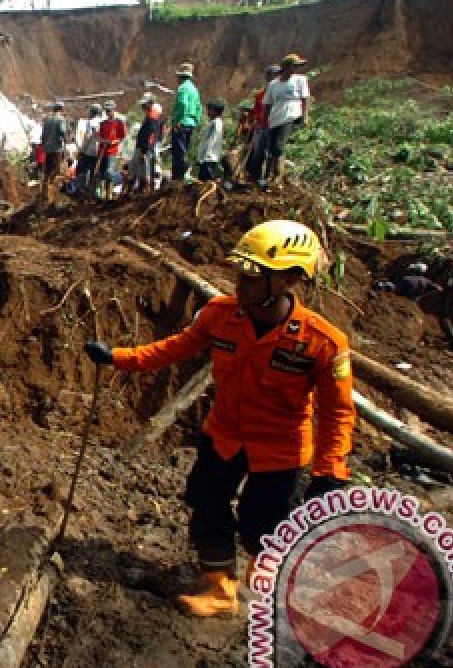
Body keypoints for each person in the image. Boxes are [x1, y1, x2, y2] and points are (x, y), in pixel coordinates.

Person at [83, 220, 355, 617]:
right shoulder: (220, 315)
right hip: (223, 436)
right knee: (206, 502)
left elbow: (338, 412)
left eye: (252, 277)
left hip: (280, 451)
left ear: (286, 281)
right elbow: (174, 348)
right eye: (240, 274)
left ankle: (263, 583)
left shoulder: (322, 342)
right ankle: (220, 588)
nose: (240, 284)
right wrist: (118, 358)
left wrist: (330, 472)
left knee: (263, 523)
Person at [263, 54, 311, 189]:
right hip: (276, 117)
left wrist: (305, 116)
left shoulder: (300, 80)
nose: (295, 69)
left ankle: (278, 177)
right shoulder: (273, 84)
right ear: (286, 67)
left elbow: (305, 98)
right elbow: (267, 103)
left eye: (297, 66)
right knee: (272, 148)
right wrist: (265, 120)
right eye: (293, 66)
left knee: (279, 146)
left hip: (291, 115)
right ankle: (270, 176)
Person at [246, 65, 282, 187]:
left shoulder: (280, 93)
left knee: (272, 153)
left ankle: (268, 178)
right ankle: (255, 177)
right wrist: (256, 123)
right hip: (262, 127)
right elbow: (256, 112)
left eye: (278, 75)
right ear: (268, 77)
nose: (277, 78)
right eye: (274, 75)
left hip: (275, 126)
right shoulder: (260, 95)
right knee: (258, 152)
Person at [170, 62, 202, 185]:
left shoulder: (183, 88)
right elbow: (199, 107)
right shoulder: (194, 89)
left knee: (178, 152)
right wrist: (195, 121)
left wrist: (176, 121)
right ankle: (181, 177)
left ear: (180, 77)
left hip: (181, 123)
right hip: (190, 123)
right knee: (184, 149)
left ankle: (178, 179)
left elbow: (182, 105)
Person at [130, 94, 164, 194]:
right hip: (144, 146)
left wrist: (145, 149)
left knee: (146, 170)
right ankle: (141, 190)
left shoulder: (152, 116)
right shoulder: (149, 115)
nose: (143, 106)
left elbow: (151, 134)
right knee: (142, 170)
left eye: (145, 104)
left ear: (150, 103)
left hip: (146, 148)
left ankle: (145, 191)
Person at [95, 100, 127, 200]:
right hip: (102, 151)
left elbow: (122, 137)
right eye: (107, 111)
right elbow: (98, 136)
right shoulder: (103, 124)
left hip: (112, 152)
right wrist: (103, 141)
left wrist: (114, 142)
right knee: (102, 174)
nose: (108, 112)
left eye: (110, 110)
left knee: (109, 173)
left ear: (113, 110)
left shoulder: (119, 123)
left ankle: (120, 180)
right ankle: (103, 196)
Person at [41, 102, 67, 201]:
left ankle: (43, 191)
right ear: (61, 110)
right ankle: (50, 194)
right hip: (56, 149)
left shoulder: (47, 120)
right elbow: (63, 132)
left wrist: (44, 145)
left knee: (47, 171)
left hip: (47, 149)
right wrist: (67, 140)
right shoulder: (61, 120)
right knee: (55, 171)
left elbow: (43, 136)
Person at [195, 99, 226, 183]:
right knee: (202, 180)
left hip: (209, 158)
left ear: (214, 111)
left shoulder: (216, 123)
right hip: (207, 158)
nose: (207, 112)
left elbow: (212, 140)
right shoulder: (214, 122)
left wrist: (205, 156)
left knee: (205, 182)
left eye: (209, 109)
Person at [77, 103, 103, 193]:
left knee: (82, 170)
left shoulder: (90, 122)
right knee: (94, 172)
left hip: (89, 151)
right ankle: (93, 191)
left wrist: (82, 150)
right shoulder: (103, 121)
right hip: (99, 151)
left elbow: (87, 137)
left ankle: (81, 189)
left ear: (93, 112)